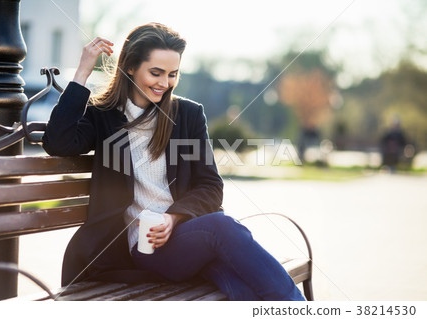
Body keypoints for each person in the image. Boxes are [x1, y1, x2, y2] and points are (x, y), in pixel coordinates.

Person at [42, 22, 304, 301]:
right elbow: (58, 142)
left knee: (243, 289)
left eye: (172, 74)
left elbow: (210, 186)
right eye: (155, 73)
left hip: (190, 241)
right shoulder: (103, 116)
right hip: (145, 249)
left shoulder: (187, 116)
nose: (164, 83)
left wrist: (173, 217)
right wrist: (83, 71)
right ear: (130, 67)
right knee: (222, 227)